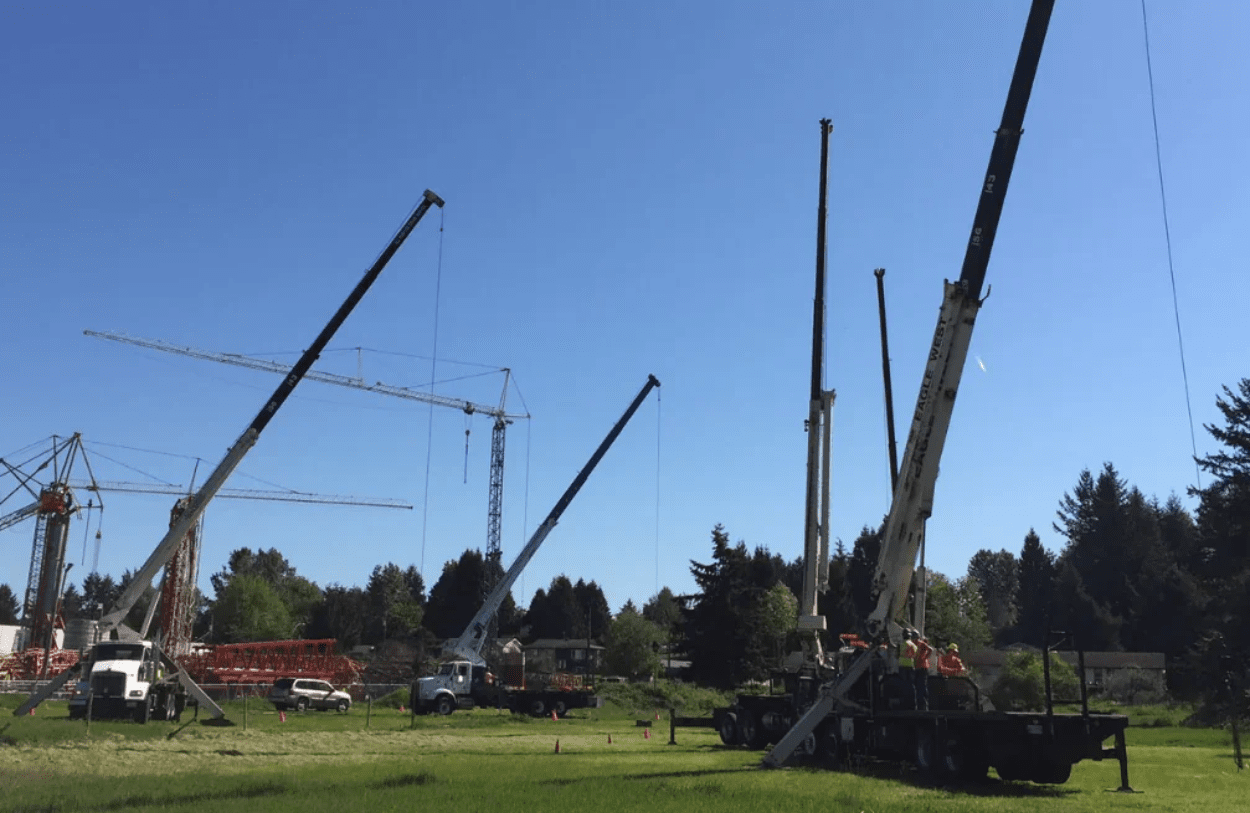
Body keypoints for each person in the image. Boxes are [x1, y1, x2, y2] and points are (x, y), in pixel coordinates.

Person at [899, 630, 919, 709]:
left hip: (903, 666)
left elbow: (897, 655)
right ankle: (913, 704)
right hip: (911, 666)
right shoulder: (914, 645)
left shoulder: (902, 644)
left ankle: (904, 704)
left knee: (903, 685)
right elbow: (915, 655)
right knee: (911, 685)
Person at [913, 632, 932, 711]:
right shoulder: (920, 644)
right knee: (921, 686)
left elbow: (930, 650)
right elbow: (930, 650)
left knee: (921, 687)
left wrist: (925, 658)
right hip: (920, 667)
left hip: (920, 667)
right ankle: (922, 705)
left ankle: (922, 705)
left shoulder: (920, 644)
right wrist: (925, 658)